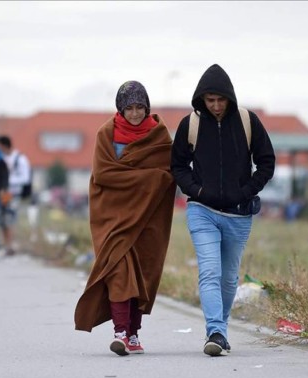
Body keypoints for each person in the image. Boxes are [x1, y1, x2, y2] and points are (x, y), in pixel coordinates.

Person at [171, 64, 275, 356]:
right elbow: (178, 166)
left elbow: (266, 162)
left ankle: (221, 330)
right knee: (209, 272)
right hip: (201, 211)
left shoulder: (247, 121)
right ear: (202, 99)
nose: (215, 106)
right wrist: (198, 191)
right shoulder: (189, 124)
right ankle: (215, 331)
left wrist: (245, 191)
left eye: (220, 100)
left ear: (229, 97)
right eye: (210, 100)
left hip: (239, 214)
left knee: (229, 278)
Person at [74, 81, 176, 356]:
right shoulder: (107, 133)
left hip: (147, 217)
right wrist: (149, 178)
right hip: (112, 217)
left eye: (139, 107)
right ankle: (120, 332)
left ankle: (133, 333)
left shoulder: (159, 135)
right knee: (118, 271)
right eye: (129, 108)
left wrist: (154, 180)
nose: (134, 114)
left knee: (142, 272)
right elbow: (104, 175)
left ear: (147, 107)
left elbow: (169, 172)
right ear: (120, 108)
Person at [0, 135, 32, 256]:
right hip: (4, 194)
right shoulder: (2, 159)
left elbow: (26, 178)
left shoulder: (20, 159)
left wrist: (9, 181)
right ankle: (6, 244)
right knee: (2, 220)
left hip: (14, 194)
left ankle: (10, 245)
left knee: (10, 219)